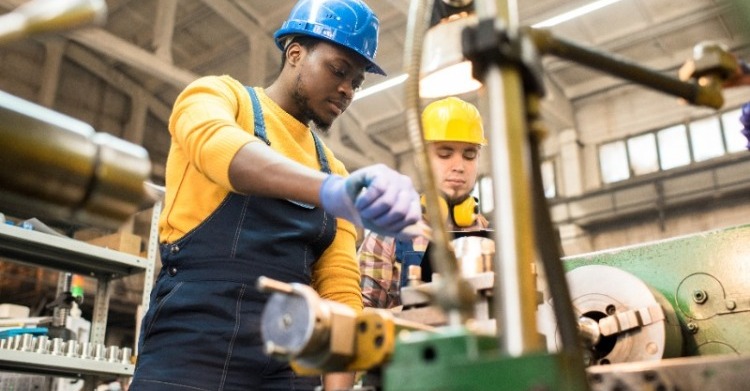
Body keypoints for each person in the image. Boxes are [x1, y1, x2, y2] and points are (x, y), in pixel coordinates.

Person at [129, 0, 421, 390]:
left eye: (356, 82)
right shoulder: (220, 97)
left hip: (289, 364)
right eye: (338, 70)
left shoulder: (334, 168)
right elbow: (220, 148)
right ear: (295, 53)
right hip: (192, 351)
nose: (347, 89)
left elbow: (340, 295)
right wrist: (328, 192)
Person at [358, 97, 490, 309]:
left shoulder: (488, 238)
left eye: (469, 155)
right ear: (421, 159)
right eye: (445, 154)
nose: (459, 166)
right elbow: (361, 318)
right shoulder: (386, 234)